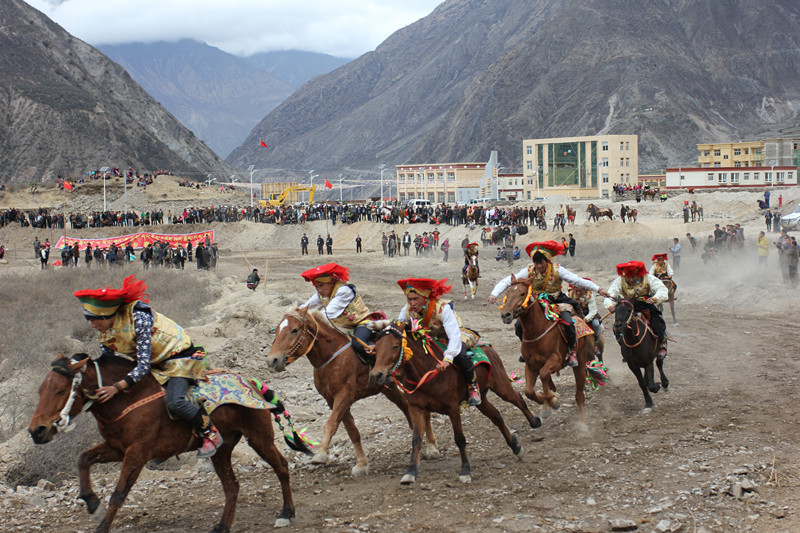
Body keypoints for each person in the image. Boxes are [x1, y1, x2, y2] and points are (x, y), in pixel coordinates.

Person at [74, 275, 220, 458]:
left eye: (95, 320)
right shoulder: (105, 331)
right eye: (90, 321)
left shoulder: (138, 320)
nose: (93, 325)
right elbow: (108, 360)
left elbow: (142, 366)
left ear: (106, 315)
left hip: (179, 358)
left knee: (174, 402)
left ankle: (210, 433)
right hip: (155, 362)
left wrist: (117, 387)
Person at [488, 241, 610, 368]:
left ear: (547, 261)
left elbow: (577, 280)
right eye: (536, 263)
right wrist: (494, 294)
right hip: (536, 303)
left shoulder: (558, 270)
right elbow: (508, 281)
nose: (539, 266)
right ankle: (527, 351)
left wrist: (598, 289)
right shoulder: (529, 270)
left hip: (557, 301)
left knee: (568, 322)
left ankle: (571, 351)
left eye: (541, 262)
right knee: (519, 325)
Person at [396, 278, 481, 406]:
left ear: (424, 298)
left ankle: (473, 386)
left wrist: (448, 358)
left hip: (455, 333)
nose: (412, 303)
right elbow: (398, 328)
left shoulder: (442, 308)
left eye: (415, 299)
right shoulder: (407, 310)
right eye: (409, 299)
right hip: (430, 337)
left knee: (461, 355)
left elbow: (454, 335)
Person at [301, 263, 383, 361]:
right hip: (341, 326)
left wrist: (307, 319)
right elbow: (306, 306)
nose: (319, 290)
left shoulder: (344, 290)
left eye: (321, 286)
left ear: (331, 283)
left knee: (358, 345)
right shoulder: (321, 293)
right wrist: (294, 315)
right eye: (316, 287)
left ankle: (378, 369)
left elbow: (327, 314)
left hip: (361, 323)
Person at [604, 261, 669, 360]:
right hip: (628, 306)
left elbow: (662, 289)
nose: (631, 279)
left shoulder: (648, 278)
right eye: (629, 277)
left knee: (658, 323)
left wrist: (655, 298)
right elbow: (611, 293)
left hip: (646, 304)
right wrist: (610, 305)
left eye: (633, 277)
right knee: (617, 325)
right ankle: (624, 348)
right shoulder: (620, 280)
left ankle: (661, 344)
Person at [568, 279, 602, 359]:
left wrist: (585, 319)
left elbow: (593, 311)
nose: (579, 293)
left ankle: (596, 343)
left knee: (596, 325)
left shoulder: (589, 295)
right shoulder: (568, 294)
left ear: (584, 289)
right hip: (575, 316)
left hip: (589, 315)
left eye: (580, 291)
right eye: (577, 291)